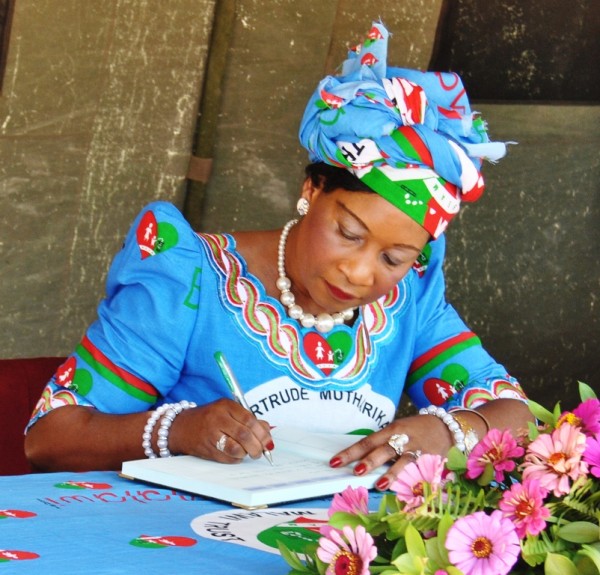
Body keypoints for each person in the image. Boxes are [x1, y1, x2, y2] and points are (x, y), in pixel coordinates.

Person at [25, 22, 532, 492]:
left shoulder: (410, 298)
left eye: (393, 257)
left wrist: (451, 429)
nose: (359, 273)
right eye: (349, 233)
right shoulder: (191, 279)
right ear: (311, 189)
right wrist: (178, 429)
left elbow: (518, 414)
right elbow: (50, 439)